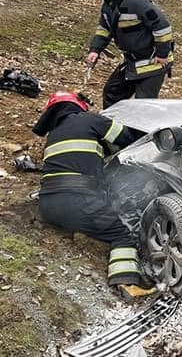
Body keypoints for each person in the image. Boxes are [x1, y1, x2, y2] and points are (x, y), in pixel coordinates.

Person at [33, 91, 151, 297]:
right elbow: (127, 137)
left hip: (48, 204)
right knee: (122, 234)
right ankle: (126, 284)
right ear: (78, 106)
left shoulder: (54, 135)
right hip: (78, 201)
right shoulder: (89, 120)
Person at [85, 0, 174, 108]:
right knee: (111, 93)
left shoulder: (137, 2)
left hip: (153, 62)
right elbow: (104, 29)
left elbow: (162, 26)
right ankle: (115, 128)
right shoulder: (109, 4)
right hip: (131, 62)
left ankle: (142, 131)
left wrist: (162, 54)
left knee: (144, 105)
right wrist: (95, 50)